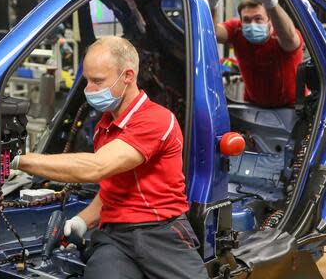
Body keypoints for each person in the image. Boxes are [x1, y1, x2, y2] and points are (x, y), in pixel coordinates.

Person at [11, 36, 207, 279]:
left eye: (98, 81)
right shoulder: (104, 127)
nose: (89, 90)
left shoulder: (157, 119)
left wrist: (19, 159)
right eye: (87, 81)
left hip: (162, 234)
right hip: (116, 238)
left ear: (127, 76)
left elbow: (97, 167)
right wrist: (83, 220)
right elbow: (113, 189)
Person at [214, 0, 303, 107]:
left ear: (270, 21)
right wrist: (212, 4)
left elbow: (291, 38)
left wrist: (270, 3)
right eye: (246, 20)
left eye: (258, 19)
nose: (252, 24)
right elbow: (213, 32)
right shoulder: (237, 30)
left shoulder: (281, 34)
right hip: (254, 105)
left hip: (291, 107)